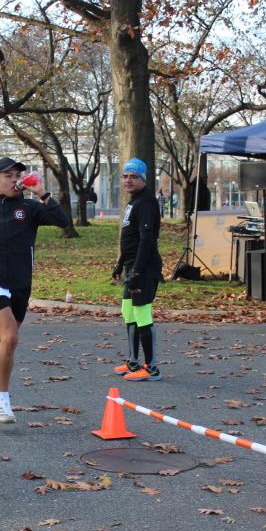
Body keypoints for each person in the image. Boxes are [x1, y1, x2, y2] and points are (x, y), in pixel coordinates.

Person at [0, 158, 70, 423]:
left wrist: (42, 192)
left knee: (3, 339)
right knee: (11, 337)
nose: (15, 179)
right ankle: (3, 403)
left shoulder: (29, 208)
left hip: (20, 284)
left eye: (18, 175)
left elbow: (63, 221)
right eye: (8, 175)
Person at [112, 158, 163, 381]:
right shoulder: (134, 201)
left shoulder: (147, 203)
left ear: (143, 179)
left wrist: (137, 272)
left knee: (142, 314)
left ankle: (151, 368)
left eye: (134, 176)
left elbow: (146, 241)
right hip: (132, 266)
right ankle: (133, 361)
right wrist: (120, 264)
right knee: (128, 311)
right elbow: (129, 238)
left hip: (144, 268)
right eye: (125, 176)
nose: (128, 180)